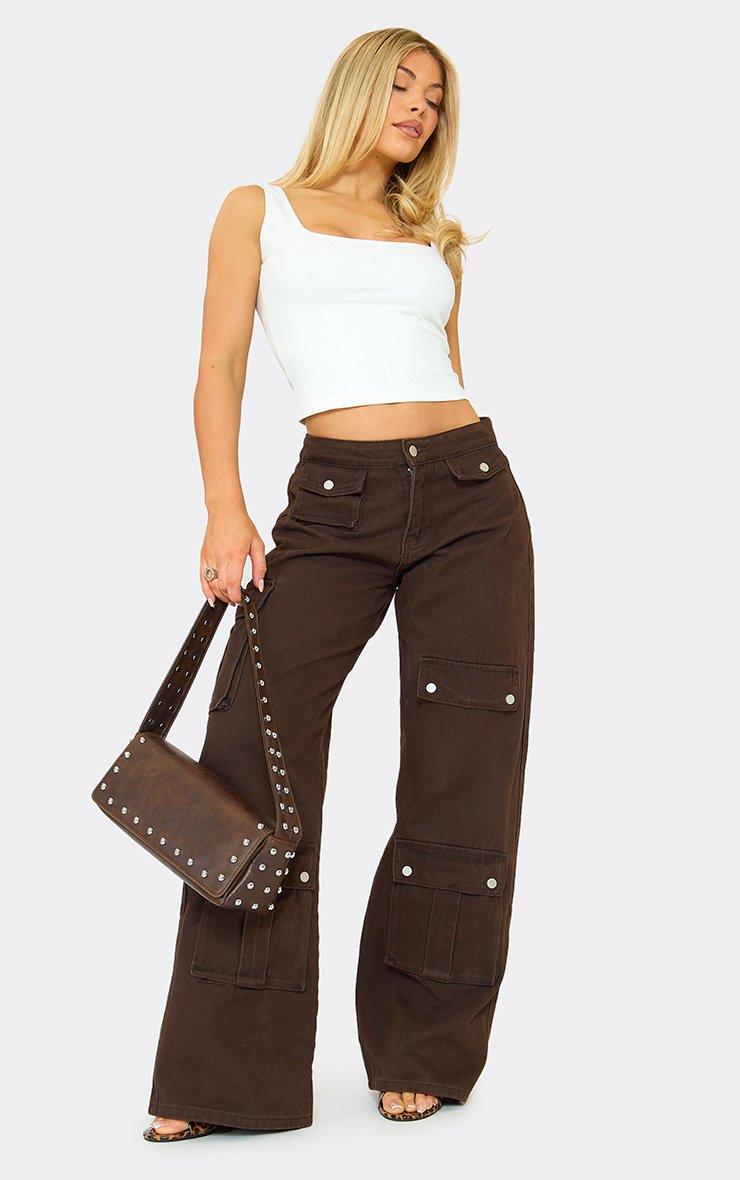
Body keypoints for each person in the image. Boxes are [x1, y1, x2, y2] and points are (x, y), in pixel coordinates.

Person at [143, 26, 535, 1142]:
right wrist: (224, 506)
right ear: (358, 90)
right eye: (401, 85)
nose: (418, 108)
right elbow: (218, 367)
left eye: (435, 98)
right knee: (248, 753)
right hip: (330, 502)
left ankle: (422, 1048)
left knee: (463, 769)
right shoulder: (256, 210)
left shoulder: (431, 237)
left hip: (470, 498)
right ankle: (223, 1075)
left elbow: (445, 368)